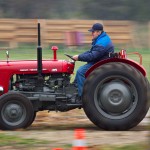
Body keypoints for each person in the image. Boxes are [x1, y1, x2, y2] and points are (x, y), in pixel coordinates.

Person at [72, 23, 114, 98]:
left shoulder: (102, 42)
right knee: (81, 69)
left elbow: (93, 56)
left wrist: (79, 57)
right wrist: (80, 55)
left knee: (80, 72)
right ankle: (74, 87)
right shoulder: (102, 38)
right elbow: (92, 51)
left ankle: (82, 96)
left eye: (93, 32)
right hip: (100, 60)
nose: (92, 34)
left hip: (100, 62)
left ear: (98, 32)